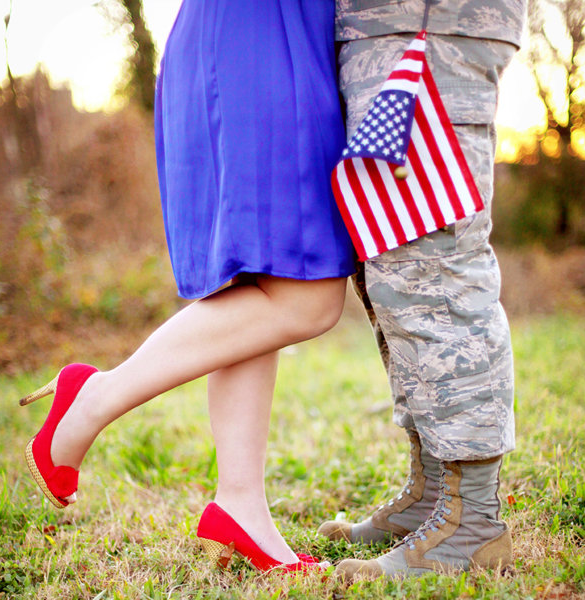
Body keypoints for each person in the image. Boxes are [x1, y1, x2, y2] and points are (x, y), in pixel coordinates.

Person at [21, 0, 355, 573]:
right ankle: (94, 398)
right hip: (266, 42)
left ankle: (240, 505)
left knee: (256, 284)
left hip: (244, 40)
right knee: (308, 296)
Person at [318, 0, 526, 580]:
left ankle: (472, 522)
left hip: (432, 23)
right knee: (388, 271)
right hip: (375, 29)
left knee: (432, 267)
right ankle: (434, 492)